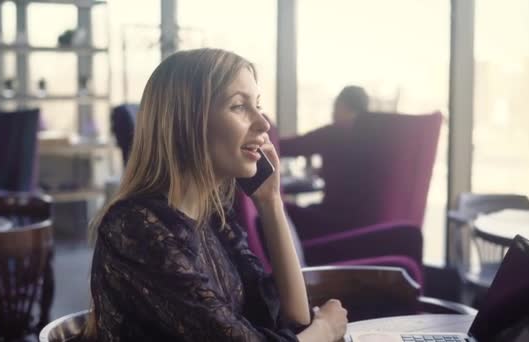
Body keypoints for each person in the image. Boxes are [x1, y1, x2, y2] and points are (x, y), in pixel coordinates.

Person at [87, 48, 348, 341]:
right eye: (239, 106)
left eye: (258, 105)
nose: (263, 124)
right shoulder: (135, 227)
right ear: (186, 122)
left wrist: (270, 203)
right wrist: (324, 331)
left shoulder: (213, 218)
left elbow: (292, 320)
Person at [278, 86, 369, 238]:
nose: (332, 113)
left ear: (342, 105)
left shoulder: (335, 133)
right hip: (366, 225)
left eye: (335, 106)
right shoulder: (372, 138)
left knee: (277, 212)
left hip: (337, 223)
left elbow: (289, 147)